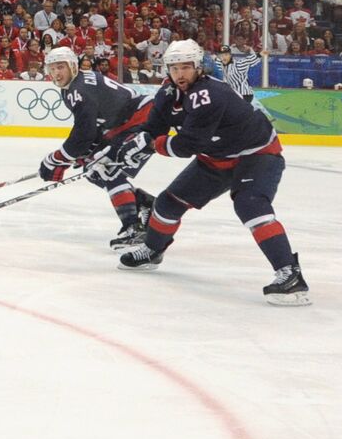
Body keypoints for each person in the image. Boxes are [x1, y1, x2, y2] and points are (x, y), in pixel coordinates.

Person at [110, 40, 309, 305]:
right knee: (169, 203)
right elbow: (152, 128)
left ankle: (290, 274)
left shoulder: (208, 93)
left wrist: (149, 145)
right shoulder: (168, 93)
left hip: (256, 154)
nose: (180, 74)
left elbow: (187, 145)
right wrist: (124, 147)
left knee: (250, 204)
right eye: (174, 68)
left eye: (186, 67)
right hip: (216, 159)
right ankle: (152, 250)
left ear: (199, 67)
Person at [37, 47, 156, 251]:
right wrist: (81, 155)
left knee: (105, 169)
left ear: (73, 66)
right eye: (52, 68)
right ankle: (143, 202)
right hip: (124, 124)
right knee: (92, 171)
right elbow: (92, 129)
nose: (57, 72)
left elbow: (83, 134)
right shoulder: (77, 84)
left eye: (61, 67)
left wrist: (56, 159)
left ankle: (133, 228)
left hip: (141, 120)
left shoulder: (78, 90)